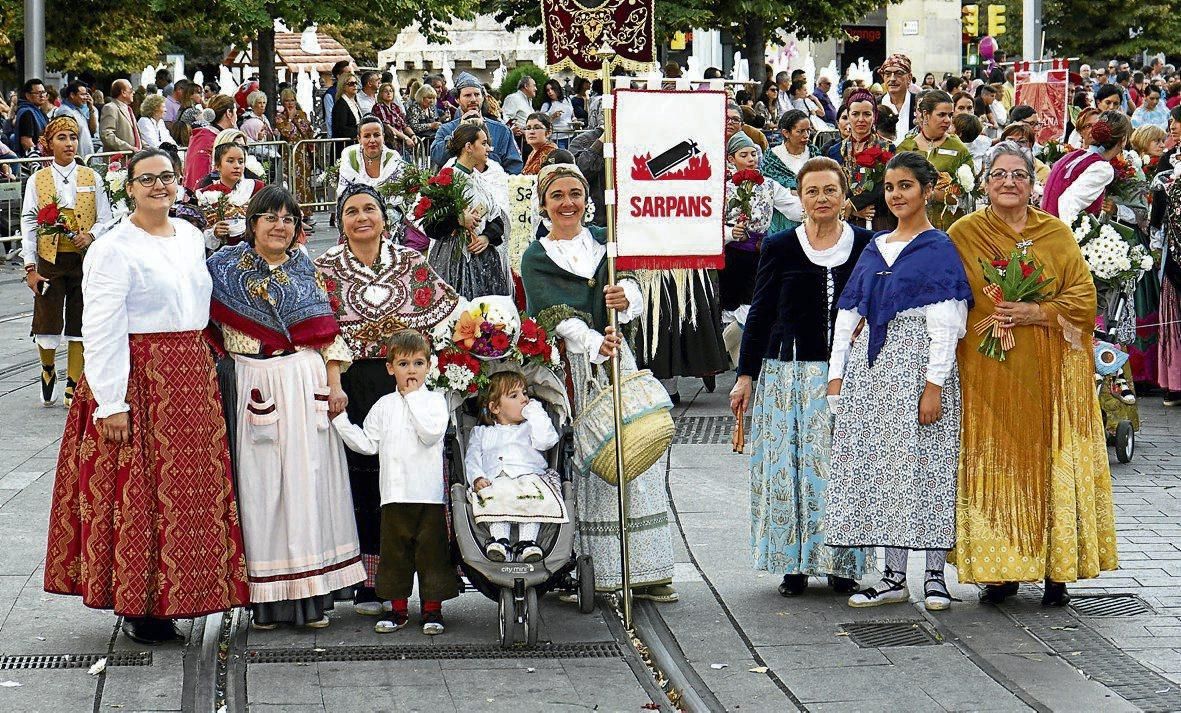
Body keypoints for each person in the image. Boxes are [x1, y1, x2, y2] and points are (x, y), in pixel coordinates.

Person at [43, 148, 250, 645]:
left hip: (191, 375)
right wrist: (111, 402)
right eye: (147, 179)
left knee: (189, 494)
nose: (160, 185)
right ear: (129, 188)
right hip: (142, 377)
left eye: (167, 177)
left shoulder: (188, 239)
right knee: (141, 494)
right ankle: (141, 603)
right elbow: (102, 327)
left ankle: (186, 593)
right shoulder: (112, 248)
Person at [949, 141, 1118, 605]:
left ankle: (1055, 570)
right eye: (999, 174)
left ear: (1032, 182)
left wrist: (1036, 311)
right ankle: (1000, 572)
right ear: (985, 183)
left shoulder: (1056, 233)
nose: (1009, 182)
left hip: (1051, 370)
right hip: (988, 371)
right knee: (998, 462)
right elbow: (945, 295)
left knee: (1049, 461)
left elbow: (1083, 299)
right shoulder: (964, 233)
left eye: (1018, 175)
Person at [207, 186, 366, 628]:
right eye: (271, 217)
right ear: (252, 222)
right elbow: (202, 326)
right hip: (252, 382)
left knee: (310, 486)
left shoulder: (305, 269)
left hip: (304, 383)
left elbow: (328, 333)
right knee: (262, 491)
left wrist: (335, 386)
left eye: (289, 219)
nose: (280, 226)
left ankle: (313, 598)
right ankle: (269, 601)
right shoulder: (222, 268)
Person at [520, 163, 677, 602]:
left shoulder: (607, 242)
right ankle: (583, 568)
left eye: (575, 193)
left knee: (632, 447)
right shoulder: (536, 256)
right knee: (584, 454)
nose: (567, 203)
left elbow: (634, 288)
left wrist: (625, 299)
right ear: (544, 203)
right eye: (557, 196)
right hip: (570, 363)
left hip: (613, 352)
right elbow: (547, 311)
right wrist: (591, 340)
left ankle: (646, 569)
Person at [825, 152, 972, 611]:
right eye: (891, 187)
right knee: (887, 468)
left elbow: (946, 321)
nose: (897, 195)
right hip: (875, 371)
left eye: (906, 185)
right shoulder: (875, 246)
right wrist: (836, 375)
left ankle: (933, 575)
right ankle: (891, 576)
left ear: (926, 191)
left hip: (919, 368)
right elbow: (849, 312)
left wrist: (935, 384)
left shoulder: (938, 248)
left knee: (930, 466)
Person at [730, 157, 872, 596]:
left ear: (844, 195)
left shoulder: (868, 244)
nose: (821, 199)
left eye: (830, 190)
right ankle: (793, 563)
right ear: (800, 197)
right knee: (789, 471)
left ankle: (842, 563)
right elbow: (760, 314)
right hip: (787, 375)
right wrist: (745, 375)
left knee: (841, 470)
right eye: (812, 191)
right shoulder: (780, 247)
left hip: (846, 377)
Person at [314, 184, 459, 614]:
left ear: (384, 217)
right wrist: (333, 381)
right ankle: (369, 581)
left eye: (370, 209)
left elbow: (446, 313)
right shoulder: (324, 268)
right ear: (340, 222)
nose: (362, 217)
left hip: (406, 382)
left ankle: (426, 578)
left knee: (412, 479)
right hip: (353, 381)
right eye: (352, 211)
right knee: (361, 479)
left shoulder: (410, 262)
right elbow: (320, 333)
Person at [332, 329, 455, 635]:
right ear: (390, 368)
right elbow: (368, 444)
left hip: (427, 495)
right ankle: (398, 610)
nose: (410, 370)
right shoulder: (384, 405)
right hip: (393, 494)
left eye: (417, 363)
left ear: (429, 365)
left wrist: (412, 397)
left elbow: (430, 434)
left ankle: (432, 610)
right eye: (403, 364)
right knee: (394, 554)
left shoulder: (435, 402)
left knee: (431, 554)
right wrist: (340, 422)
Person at [20, 116, 113, 407]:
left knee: (80, 319)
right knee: (46, 320)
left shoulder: (91, 177)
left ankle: (74, 381)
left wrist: (92, 235)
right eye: (62, 138)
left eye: (72, 137)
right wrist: (29, 266)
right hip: (49, 258)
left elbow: (106, 218)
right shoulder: (38, 180)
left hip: (83, 259)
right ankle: (48, 368)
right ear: (49, 143)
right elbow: (28, 220)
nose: (69, 144)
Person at [466, 371, 568, 563]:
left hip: (529, 476)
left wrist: (534, 410)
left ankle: (527, 543)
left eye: (525, 393)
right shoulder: (480, 433)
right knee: (494, 495)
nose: (523, 399)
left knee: (532, 497)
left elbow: (547, 441)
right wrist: (477, 477)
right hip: (495, 478)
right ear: (495, 407)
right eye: (514, 396)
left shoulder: (530, 427)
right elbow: (472, 458)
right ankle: (500, 541)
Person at [721, 131, 803, 314]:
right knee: (729, 306)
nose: (751, 159)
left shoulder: (768, 185)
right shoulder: (723, 188)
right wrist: (730, 233)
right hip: (731, 254)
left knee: (756, 304)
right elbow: (712, 224)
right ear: (731, 159)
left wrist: (816, 212)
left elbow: (793, 208)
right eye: (744, 155)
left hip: (759, 253)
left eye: (753, 154)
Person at [427, 123, 512, 299]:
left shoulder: (479, 179)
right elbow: (430, 226)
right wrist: (457, 220)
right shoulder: (447, 179)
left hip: (484, 258)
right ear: (468, 147)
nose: (488, 148)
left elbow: (497, 220)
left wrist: (486, 237)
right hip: (453, 260)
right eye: (483, 143)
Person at [896, 90, 975, 231]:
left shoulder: (958, 148)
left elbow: (967, 195)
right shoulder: (905, 147)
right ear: (926, 114)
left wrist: (934, 194)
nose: (948, 120)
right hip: (911, 225)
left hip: (948, 227)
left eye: (950, 115)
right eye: (941, 115)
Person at [1042, 111, 1134, 226]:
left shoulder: (1075, 155)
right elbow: (1068, 203)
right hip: (1058, 234)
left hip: (1046, 225)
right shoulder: (1101, 167)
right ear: (1123, 140)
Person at [827, 89, 897, 232]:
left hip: (879, 219)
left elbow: (887, 185)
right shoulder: (835, 151)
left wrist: (855, 204)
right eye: (855, 114)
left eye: (866, 114)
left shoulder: (887, 148)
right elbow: (832, 186)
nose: (861, 119)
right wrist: (851, 210)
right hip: (845, 220)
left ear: (874, 116)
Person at [430, 72, 523, 173]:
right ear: (457, 99)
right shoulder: (446, 129)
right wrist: (458, 131)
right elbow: (438, 158)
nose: (473, 99)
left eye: (477, 94)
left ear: (483, 97)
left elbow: (514, 166)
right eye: (467, 95)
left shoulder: (501, 130)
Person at [201, 141, 266, 250]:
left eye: (241, 162)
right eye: (230, 161)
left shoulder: (256, 187)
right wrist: (215, 233)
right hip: (223, 251)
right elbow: (203, 231)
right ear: (217, 165)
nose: (237, 166)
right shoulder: (206, 194)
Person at [762, 110, 814, 234]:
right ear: (786, 133)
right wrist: (791, 192)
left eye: (808, 130)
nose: (806, 135)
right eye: (800, 131)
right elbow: (767, 187)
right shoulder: (772, 157)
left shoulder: (814, 153)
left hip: (810, 217)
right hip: (779, 219)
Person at [337, 116, 406, 194]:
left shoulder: (393, 157)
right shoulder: (349, 154)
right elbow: (343, 190)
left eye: (376, 135)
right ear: (359, 139)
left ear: (383, 136)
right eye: (366, 136)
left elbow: (397, 193)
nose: (372, 140)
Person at [184, 94, 237, 191]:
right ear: (229, 113)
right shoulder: (210, 139)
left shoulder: (203, 135)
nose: (236, 116)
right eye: (235, 112)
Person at [274, 88, 315, 209]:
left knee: (304, 181)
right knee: (292, 182)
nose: (290, 103)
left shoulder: (302, 114)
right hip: (290, 154)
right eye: (287, 101)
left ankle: (306, 210)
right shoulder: (280, 117)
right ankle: (294, 209)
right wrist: (291, 119)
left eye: (292, 100)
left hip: (303, 153)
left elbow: (308, 130)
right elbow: (287, 132)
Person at [53, 81, 97, 157]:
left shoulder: (78, 110)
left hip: (85, 158)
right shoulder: (65, 111)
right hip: (76, 159)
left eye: (86, 95)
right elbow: (67, 138)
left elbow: (92, 130)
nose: (86, 98)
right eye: (82, 95)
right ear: (72, 95)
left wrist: (91, 109)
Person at [878, 54, 919, 136]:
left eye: (899, 73)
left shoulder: (919, 104)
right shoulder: (875, 104)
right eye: (888, 74)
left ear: (909, 77)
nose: (892, 79)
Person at [372, 83, 417, 154]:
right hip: (390, 143)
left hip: (401, 143)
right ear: (381, 94)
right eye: (385, 91)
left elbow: (404, 125)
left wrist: (412, 135)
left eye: (391, 91)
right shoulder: (378, 106)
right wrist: (405, 138)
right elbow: (387, 126)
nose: (389, 93)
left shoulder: (395, 107)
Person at [100, 79, 141, 153]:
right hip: (119, 160)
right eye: (131, 89)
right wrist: (129, 148)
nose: (133, 92)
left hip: (132, 158)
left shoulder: (129, 109)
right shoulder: (110, 108)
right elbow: (106, 135)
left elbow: (136, 136)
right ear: (123, 92)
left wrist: (148, 148)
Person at [15, 78, 49, 156]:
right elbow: (26, 142)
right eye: (38, 93)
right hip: (31, 161)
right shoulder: (27, 112)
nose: (42, 96)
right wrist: (37, 159)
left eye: (43, 92)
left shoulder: (39, 111)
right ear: (28, 96)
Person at [332, 71, 363, 143]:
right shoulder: (341, 105)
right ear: (343, 86)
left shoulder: (354, 102)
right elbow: (341, 129)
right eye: (351, 84)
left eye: (356, 83)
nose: (355, 86)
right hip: (344, 147)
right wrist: (361, 132)